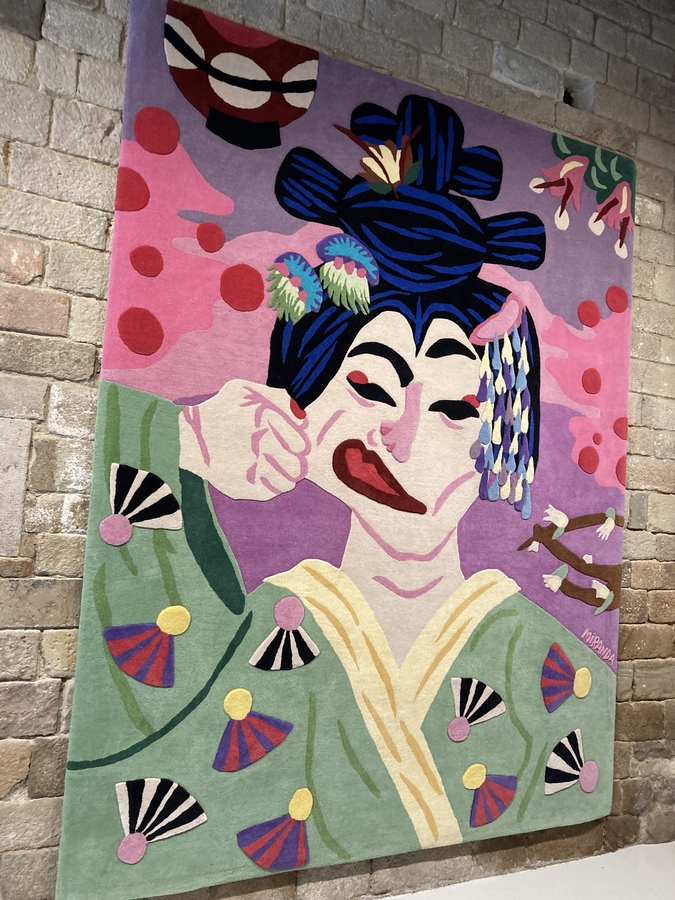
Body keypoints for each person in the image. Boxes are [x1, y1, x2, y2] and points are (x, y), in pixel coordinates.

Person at [175, 95, 615, 851]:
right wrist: (180, 442)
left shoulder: (551, 660)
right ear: (295, 403)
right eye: (369, 388)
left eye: (453, 405)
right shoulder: (250, 626)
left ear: (502, 430)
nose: (404, 437)